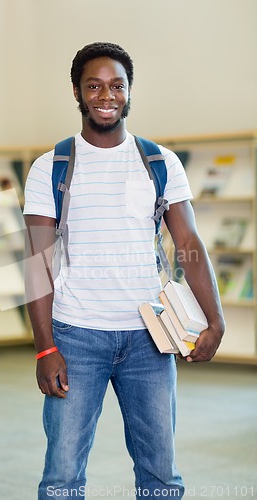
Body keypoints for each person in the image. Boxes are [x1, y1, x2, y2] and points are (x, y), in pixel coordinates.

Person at [23, 41, 225, 500]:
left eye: (117, 85)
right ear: (77, 92)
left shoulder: (159, 162)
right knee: (62, 477)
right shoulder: (51, 167)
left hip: (149, 340)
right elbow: (37, 261)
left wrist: (216, 318)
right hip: (75, 338)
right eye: (94, 86)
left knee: (161, 475)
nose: (106, 95)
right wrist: (44, 348)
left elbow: (188, 244)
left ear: (129, 91)